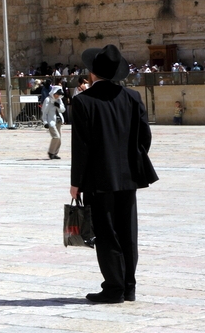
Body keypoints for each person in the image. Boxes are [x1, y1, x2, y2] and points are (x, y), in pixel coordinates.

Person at [70, 44, 158, 304]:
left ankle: (113, 288)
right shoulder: (132, 98)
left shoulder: (83, 102)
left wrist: (76, 182)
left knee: (106, 233)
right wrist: (132, 162)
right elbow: (145, 138)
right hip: (129, 178)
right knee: (129, 232)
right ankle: (129, 287)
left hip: (99, 181)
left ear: (92, 74)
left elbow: (81, 148)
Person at [42, 87, 65, 159]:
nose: (57, 95)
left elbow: (63, 110)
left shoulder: (59, 100)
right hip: (51, 122)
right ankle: (51, 152)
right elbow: (44, 112)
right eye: (57, 94)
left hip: (59, 121)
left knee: (59, 139)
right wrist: (45, 122)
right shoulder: (48, 100)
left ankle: (54, 153)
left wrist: (58, 105)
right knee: (56, 137)